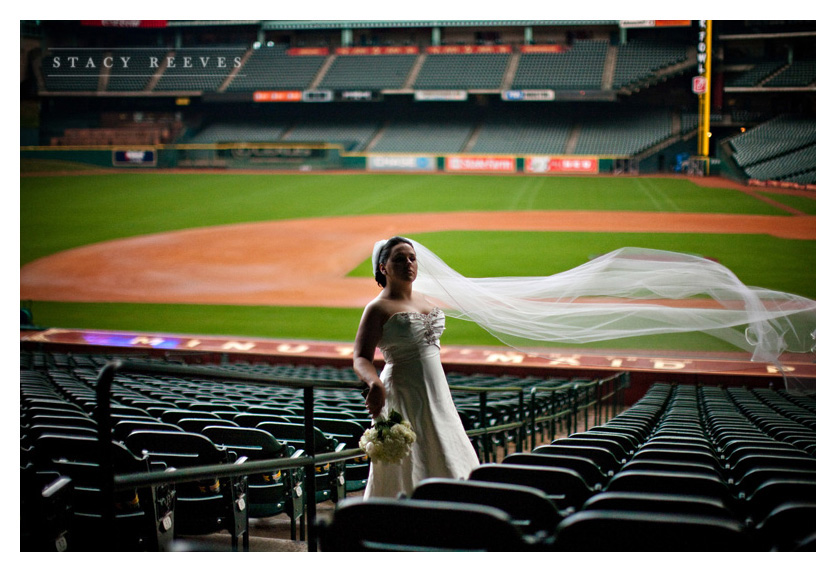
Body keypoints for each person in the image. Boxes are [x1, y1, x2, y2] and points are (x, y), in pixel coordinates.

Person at [353, 236, 480, 498]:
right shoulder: (377, 308)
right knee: (409, 461)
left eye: (412, 258)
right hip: (403, 391)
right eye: (399, 259)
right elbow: (360, 357)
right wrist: (374, 382)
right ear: (383, 267)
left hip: (436, 391)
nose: (408, 264)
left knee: (444, 447)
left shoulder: (424, 299)